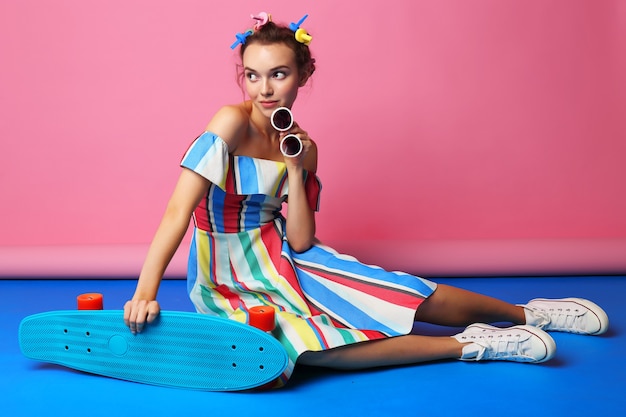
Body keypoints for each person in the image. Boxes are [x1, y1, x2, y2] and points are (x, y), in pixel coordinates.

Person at [123, 13, 609, 387]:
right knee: (302, 347)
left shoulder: (302, 143)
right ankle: (473, 344)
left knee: (396, 294)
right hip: (225, 271)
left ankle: (533, 313)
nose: (264, 89)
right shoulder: (229, 122)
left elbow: (302, 238)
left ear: (301, 76)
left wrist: (298, 167)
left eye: (278, 75)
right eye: (252, 76)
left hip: (285, 256)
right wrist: (145, 291)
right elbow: (177, 212)